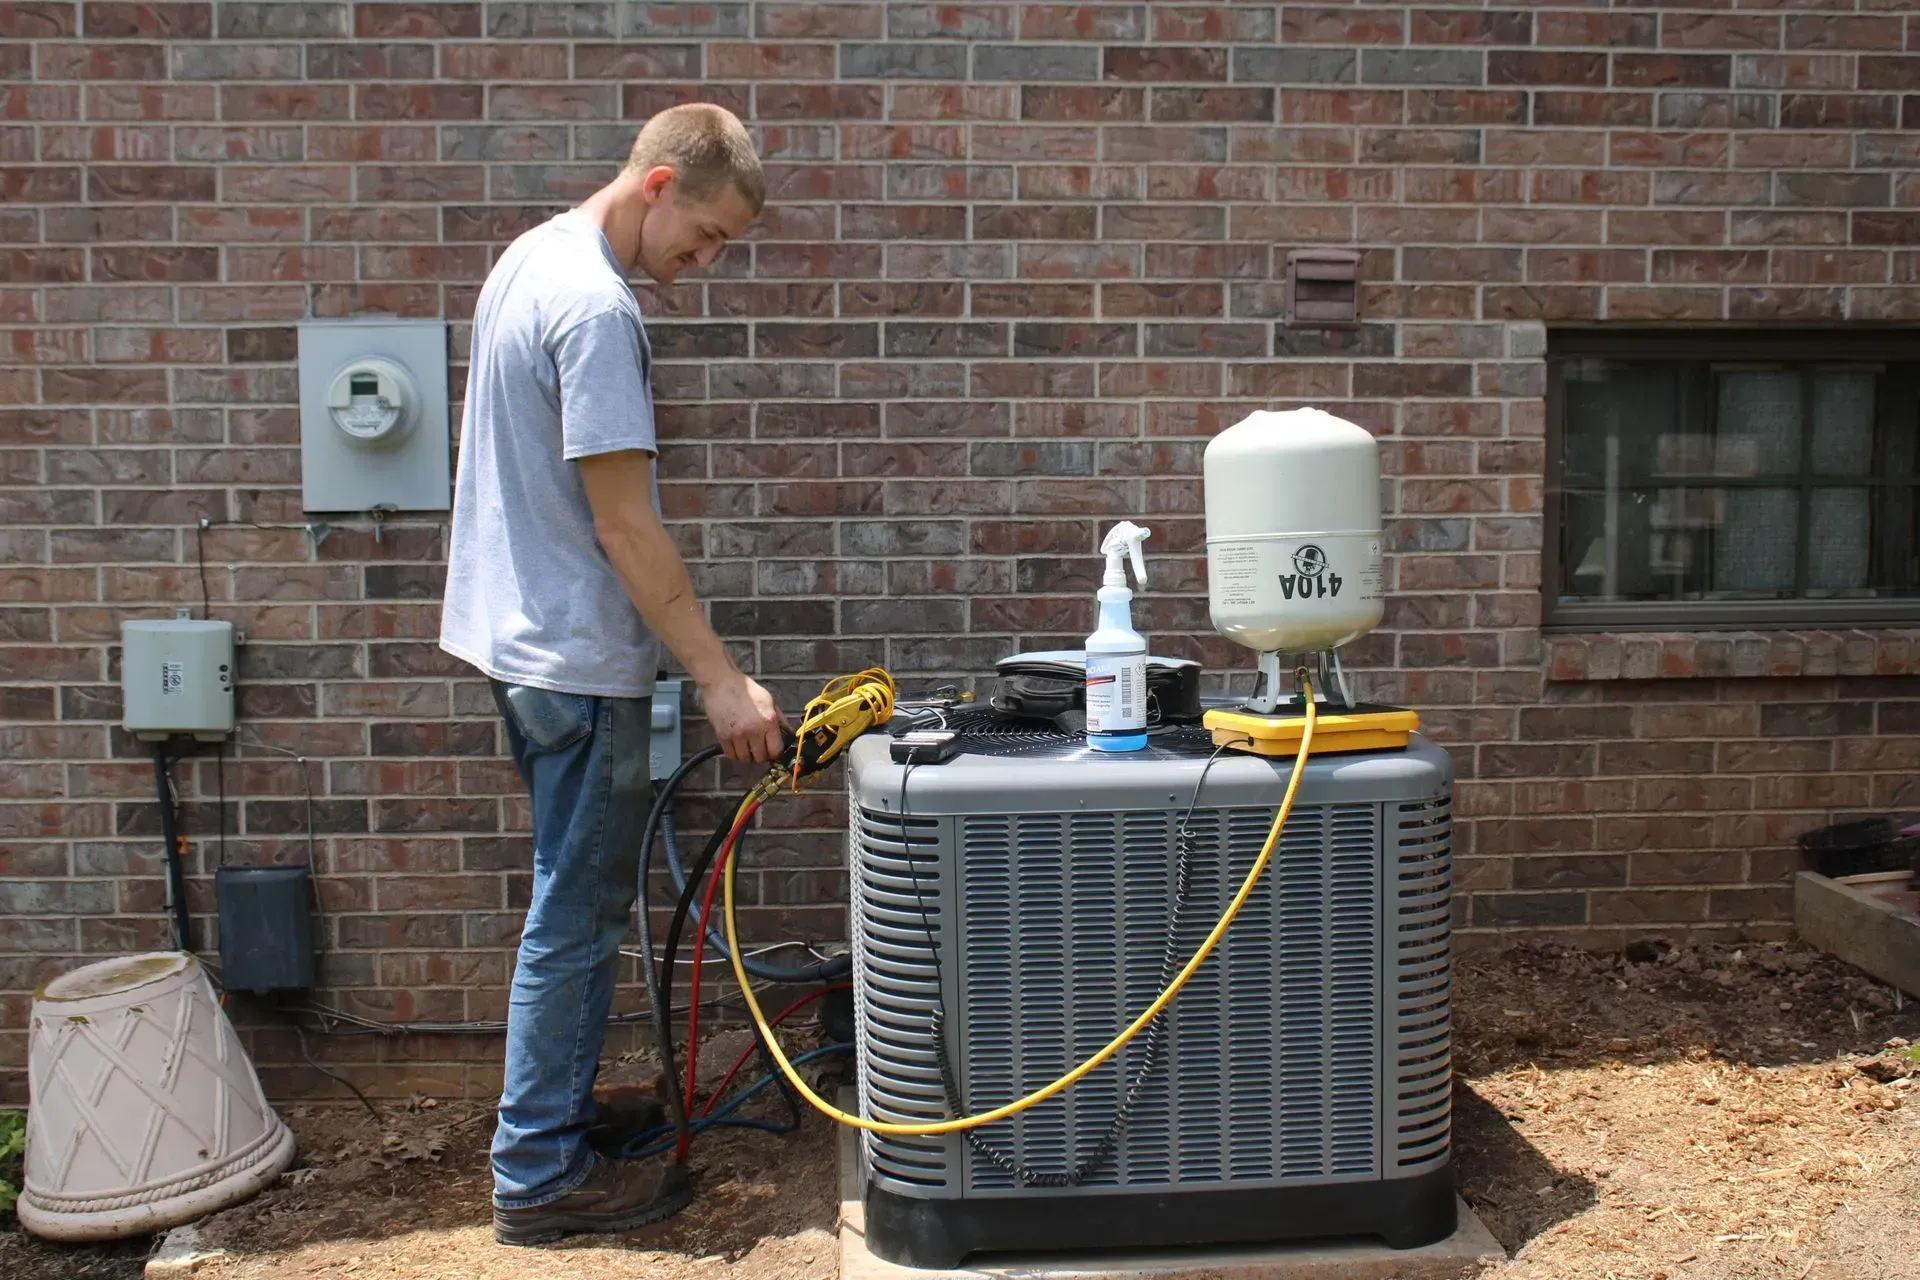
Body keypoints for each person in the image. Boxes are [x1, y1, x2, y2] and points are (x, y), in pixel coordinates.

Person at [439, 102, 787, 1247]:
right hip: (577, 661)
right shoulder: (594, 308)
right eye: (706, 233)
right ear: (657, 185)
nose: (706, 262)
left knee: (575, 898)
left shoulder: (530, 258)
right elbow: (625, 527)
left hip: (520, 641)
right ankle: (538, 1171)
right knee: (576, 917)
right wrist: (720, 679)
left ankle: (564, 1117)